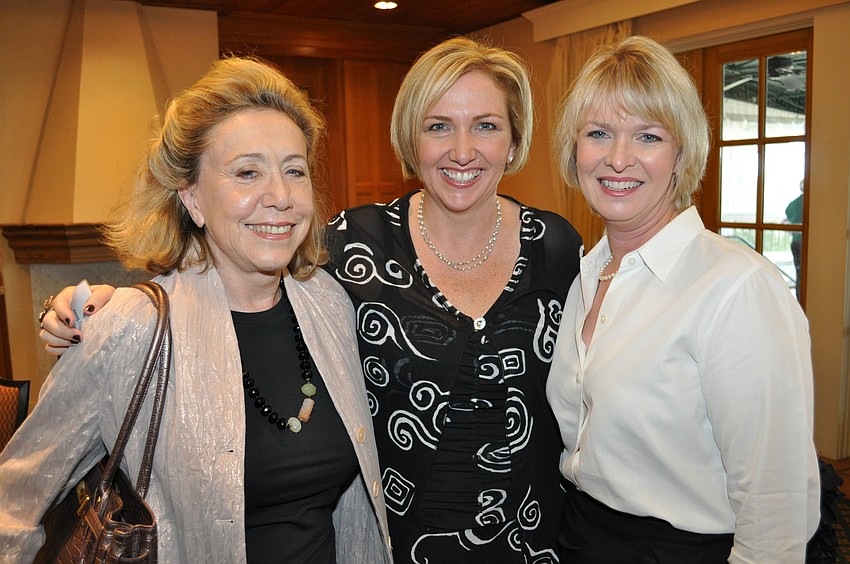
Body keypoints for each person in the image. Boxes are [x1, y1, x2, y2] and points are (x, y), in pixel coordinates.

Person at [39, 37, 584, 562]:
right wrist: (112, 307)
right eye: (438, 126)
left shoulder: (557, 248)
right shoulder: (351, 250)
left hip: (536, 541)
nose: (462, 149)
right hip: (400, 543)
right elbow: (232, 268)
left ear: (514, 142)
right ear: (409, 141)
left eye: (486, 126)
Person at [1, 56, 392, 563]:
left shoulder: (330, 303)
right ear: (192, 199)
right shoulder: (130, 328)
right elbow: (13, 502)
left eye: (294, 171)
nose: (280, 196)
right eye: (247, 172)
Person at [546, 35, 819, 563]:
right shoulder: (586, 274)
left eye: (647, 136)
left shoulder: (736, 288)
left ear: (682, 152)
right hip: (581, 536)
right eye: (598, 133)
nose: (618, 158)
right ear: (575, 150)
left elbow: (777, 509)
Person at [785, 179, 805, 299]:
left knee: (799, 273)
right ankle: (803, 301)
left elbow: (788, 211)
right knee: (805, 273)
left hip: (795, 241)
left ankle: (799, 299)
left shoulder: (794, 204)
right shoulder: (808, 202)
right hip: (804, 241)